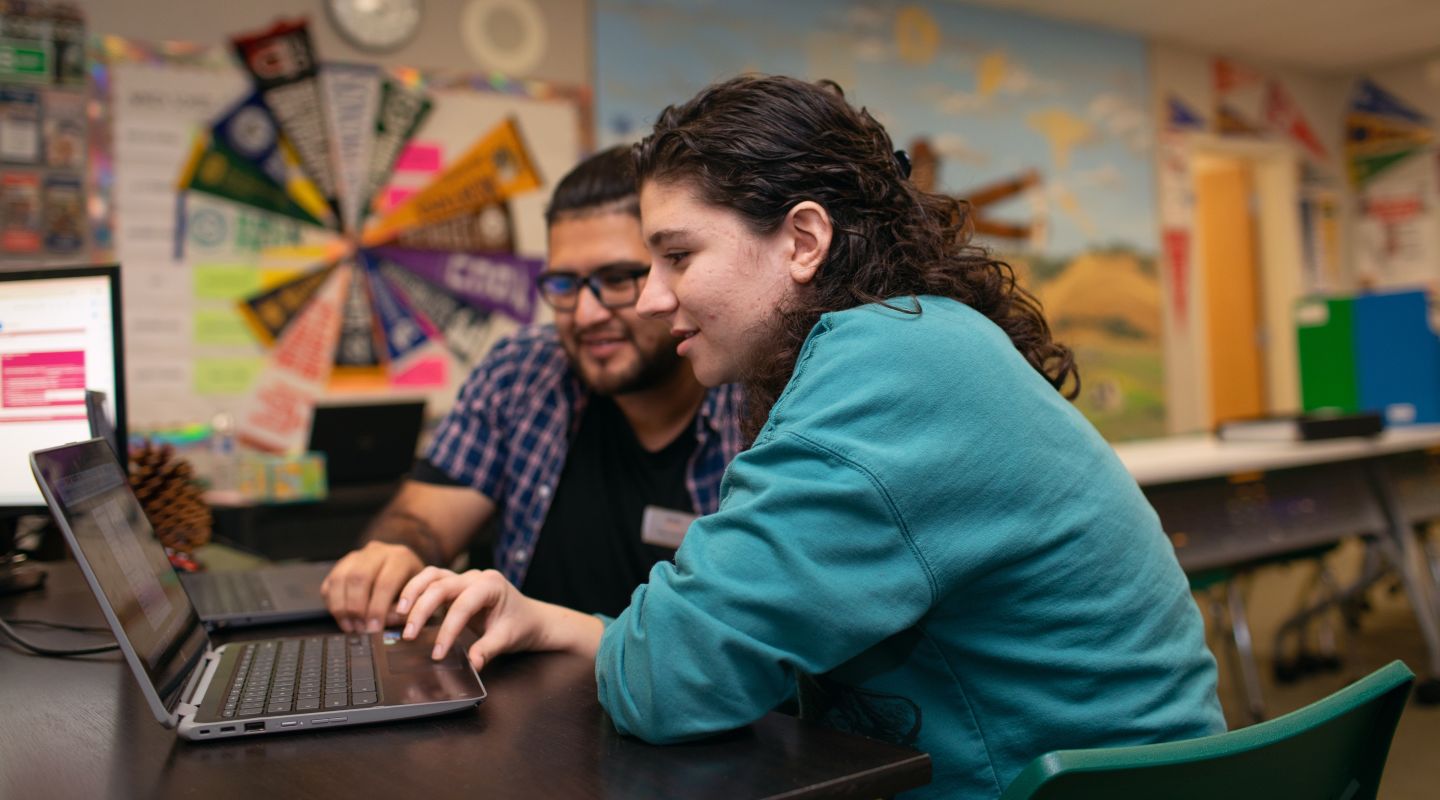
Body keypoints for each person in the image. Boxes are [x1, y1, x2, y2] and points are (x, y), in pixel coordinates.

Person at [395, 76, 1224, 799]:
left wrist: (641, 640)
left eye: (676, 256)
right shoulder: (920, 337)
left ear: (802, 240)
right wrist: (547, 620)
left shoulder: (882, 373)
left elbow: (667, 683)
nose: (650, 298)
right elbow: (714, 641)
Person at [321, 146, 745, 632]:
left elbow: (743, 646)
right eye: (564, 284)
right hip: (519, 696)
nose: (587, 314)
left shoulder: (754, 401)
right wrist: (396, 549)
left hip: (685, 700)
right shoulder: (522, 372)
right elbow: (423, 521)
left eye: (617, 279)